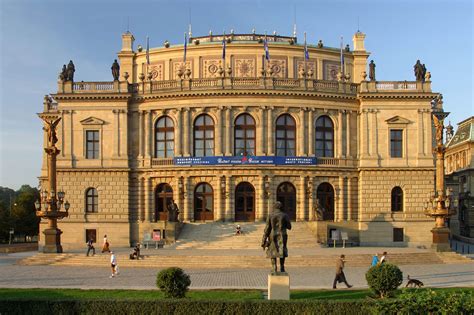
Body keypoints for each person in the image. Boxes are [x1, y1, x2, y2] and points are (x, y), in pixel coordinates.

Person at [261, 201, 292, 273]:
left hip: (273, 235)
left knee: (272, 250)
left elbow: (267, 228)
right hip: (282, 235)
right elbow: (289, 227)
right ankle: (282, 267)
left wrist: (264, 239)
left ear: (274, 207)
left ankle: (274, 267)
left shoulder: (270, 215)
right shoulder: (284, 215)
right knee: (282, 249)